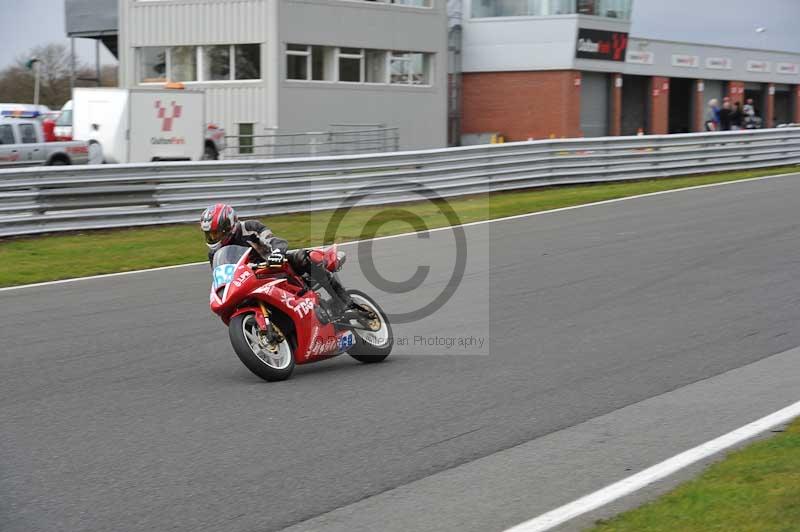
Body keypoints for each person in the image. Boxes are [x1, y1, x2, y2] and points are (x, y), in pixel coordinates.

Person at [200, 203, 354, 318]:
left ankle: (342, 298)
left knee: (302, 257)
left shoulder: (249, 227)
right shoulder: (214, 254)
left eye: (217, 233)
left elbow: (275, 241)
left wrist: (277, 254)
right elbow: (221, 277)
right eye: (210, 234)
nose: (214, 238)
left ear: (229, 225)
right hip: (249, 280)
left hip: (274, 267)